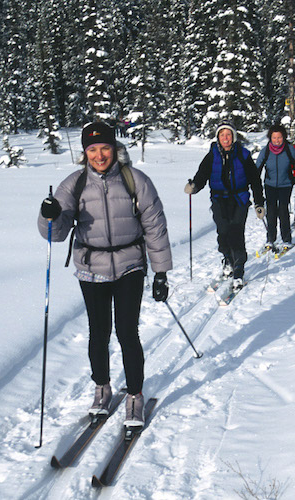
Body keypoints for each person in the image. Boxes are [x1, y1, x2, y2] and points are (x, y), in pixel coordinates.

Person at [38, 122, 172, 428]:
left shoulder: (135, 180)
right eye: (92, 149)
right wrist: (49, 214)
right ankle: (102, 388)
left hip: (129, 265)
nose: (99, 155)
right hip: (91, 267)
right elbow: (55, 233)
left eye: (105, 148)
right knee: (98, 333)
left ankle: (134, 394)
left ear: (115, 148)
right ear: (85, 152)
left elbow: (155, 226)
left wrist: (161, 271)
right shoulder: (73, 184)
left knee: (127, 331)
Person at [184, 120, 264, 291]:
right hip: (219, 200)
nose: (225, 138)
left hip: (239, 199)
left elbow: (255, 180)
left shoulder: (243, 154)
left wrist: (259, 203)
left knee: (236, 234)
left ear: (233, 137)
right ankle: (227, 260)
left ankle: (238, 271)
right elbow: (202, 175)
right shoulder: (212, 155)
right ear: (218, 137)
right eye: (222, 135)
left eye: (228, 135)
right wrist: (194, 186)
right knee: (223, 233)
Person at [256, 124, 295, 251]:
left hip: (286, 185)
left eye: (279, 137)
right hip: (270, 185)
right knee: (271, 212)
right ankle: (270, 239)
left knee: (283, 211)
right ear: (270, 138)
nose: (277, 140)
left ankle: (287, 240)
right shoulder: (266, 151)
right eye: (274, 138)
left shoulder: (289, 149)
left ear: (283, 137)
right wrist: (253, 179)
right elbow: (257, 168)